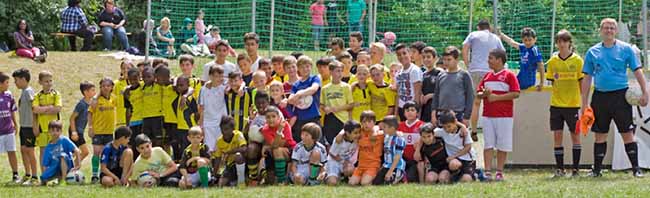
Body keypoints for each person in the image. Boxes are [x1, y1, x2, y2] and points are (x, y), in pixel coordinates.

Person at [581, 18, 648, 178]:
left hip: (620, 97)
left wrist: (645, 92)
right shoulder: (592, 52)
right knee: (600, 134)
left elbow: (638, 70)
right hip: (600, 97)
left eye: (612, 28)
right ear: (601, 30)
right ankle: (596, 170)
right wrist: (584, 103)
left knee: (627, 133)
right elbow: (587, 78)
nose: (609, 30)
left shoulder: (626, 49)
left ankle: (636, 169)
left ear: (616, 31)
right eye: (606, 28)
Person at [476, 49, 520, 181]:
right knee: (488, 143)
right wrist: (484, 94)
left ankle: (499, 171)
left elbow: (516, 93)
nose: (488, 61)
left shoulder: (509, 75)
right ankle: (488, 171)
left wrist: (496, 98)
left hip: (504, 116)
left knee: (503, 144)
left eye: (491, 58)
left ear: (499, 60)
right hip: (488, 115)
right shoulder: (487, 76)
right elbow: (478, 93)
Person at [545, 29, 584, 178]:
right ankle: (560, 169)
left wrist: (583, 103)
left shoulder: (578, 61)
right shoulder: (553, 61)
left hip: (573, 105)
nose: (561, 44)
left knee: (575, 136)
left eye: (564, 41)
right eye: (559, 41)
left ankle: (575, 170)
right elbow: (553, 81)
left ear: (569, 43)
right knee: (557, 136)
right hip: (556, 105)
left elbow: (581, 83)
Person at [432, 46, 474, 126]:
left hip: (458, 114)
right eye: (444, 59)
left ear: (457, 59)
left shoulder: (464, 75)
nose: (446, 62)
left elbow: (470, 97)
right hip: (442, 113)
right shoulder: (440, 75)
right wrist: (433, 113)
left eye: (449, 59)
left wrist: (466, 117)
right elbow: (436, 96)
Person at [12, 68, 39, 185]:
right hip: (23, 126)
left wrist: (35, 125)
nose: (15, 83)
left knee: (30, 150)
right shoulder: (23, 91)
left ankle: (34, 177)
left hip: (29, 126)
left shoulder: (28, 92)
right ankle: (27, 174)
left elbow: (35, 108)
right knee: (23, 150)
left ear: (23, 79)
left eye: (16, 80)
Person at [33, 71, 63, 173]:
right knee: (43, 152)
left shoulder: (56, 94)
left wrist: (43, 109)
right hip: (43, 129)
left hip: (55, 129)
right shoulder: (37, 96)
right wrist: (49, 107)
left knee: (56, 152)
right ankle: (44, 174)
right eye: (46, 81)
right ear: (40, 82)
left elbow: (57, 108)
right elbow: (35, 110)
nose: (49, 83)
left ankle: (56, 174)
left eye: (50, 81)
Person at [288, 56, 322, 142]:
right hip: (300, 118)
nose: (305, 69)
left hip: (313, 116)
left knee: (315, 141)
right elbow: (290, 99)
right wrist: (293, 100)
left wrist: (300, 94)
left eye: (307, 66)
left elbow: (313, 89)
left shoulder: (314, 78)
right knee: (301, 141)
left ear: (311, 67)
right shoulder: (296, 84)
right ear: (298, 69)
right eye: (302, 67)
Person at [434, 110, 475, 183]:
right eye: (444, 127)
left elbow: (468, 147)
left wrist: (454, 156)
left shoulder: (463, 131)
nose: (447, 129)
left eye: (449, 126)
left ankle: (472, 174)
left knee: (466, 180)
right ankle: (454, 177)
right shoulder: (442, 131)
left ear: (455, 122)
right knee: (442, 178)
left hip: (467, 159)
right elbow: (427, 131)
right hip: (452, 161)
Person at [462, 20, 505, 88]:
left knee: (475, 95)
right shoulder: (495, 38)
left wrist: (468, 65)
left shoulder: (473, 34)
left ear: (478, 28)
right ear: (489, 28)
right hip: (491, 70)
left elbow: (465, 49)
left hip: (475, 69)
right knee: (489, 95)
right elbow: (503, 53)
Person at [261, 106, 297, 184]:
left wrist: (279, 131)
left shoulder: (285, 125)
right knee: (270, 180)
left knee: (277, 150)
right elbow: (275, 145)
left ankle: (281, 181)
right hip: (275, 152)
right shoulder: (265, 129)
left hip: (291, 150)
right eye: (268, 117)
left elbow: (280, 144)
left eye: (273, 116)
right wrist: (279, 132)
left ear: (278, 117)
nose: (271, 119)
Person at [321, 61, 354, 144]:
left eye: (341, 71)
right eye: (337, 71)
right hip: (330, 119)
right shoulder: (325, 88)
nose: (340, 73)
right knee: (331, 142)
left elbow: (350, 105)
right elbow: (321, 104)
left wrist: (337, 108)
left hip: (343, 118)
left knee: (343, 142)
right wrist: (325, 108)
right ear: (331, 72)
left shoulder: (346, 87)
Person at [40, 121, 81, 186]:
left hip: (67, 165)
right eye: (53, 130)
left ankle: (63, 180)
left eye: (57, 130)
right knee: (43, 178)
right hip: (55, 167)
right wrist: (45, 175)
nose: (55, 132)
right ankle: (57, 179)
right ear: (49, 132)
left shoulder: (64, 140)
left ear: (61, 131)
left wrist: (78, 165)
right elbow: (45, 164)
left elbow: (77, 151)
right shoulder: (48, 147)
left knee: (62, 155)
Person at [349, 111, 383, 186]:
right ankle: (363, 177)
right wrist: (340, 134)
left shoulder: (379, 134)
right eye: (364, 122)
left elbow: (390, 131)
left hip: (373, 165)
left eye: (369, 122)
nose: (366, 124)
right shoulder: (359, 132)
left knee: (364, 183)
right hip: (361, 165)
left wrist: (376, 128)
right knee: (351, 183)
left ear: (374, 122)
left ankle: (375, 176)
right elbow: (347, 130)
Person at [199, 65, 228, 152]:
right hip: (208, 124)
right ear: (210, 76)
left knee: (221, 148)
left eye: (221, 76)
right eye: (216, 76)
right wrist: (201, 125)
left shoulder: (225, 88)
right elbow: (201, 108)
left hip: (221, 123)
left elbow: (238, 82)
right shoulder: (203, 90)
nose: (219, 79)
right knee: (209, 149)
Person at [68, 81, 94, 181]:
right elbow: (72, 118)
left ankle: (71, 169)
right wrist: (74, 132)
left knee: (82, 152)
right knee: (78, 152)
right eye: (92, 90)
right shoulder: (81, 104)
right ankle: (69, 169)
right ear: (85, 92)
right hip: (75, 131)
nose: (94, 92)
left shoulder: (91, 103)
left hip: (80, 131)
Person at [212, 117, 247, 187]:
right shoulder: (219, 141)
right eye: (222, 129)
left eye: (226, 129)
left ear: (233, 129)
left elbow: (244, 148)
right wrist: (215, 175)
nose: (224, 132)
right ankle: (232, 181)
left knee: (238, 155)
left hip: (242, 162)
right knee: (221, 184)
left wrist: (230, 152)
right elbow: (217, 159)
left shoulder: (238, 135)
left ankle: (241, 181)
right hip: (229, 165)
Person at [172, 76, 199, 162]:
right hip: (181, 128)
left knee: (191, 149)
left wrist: (195, 124)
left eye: (181, 85)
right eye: (178, 85)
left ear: (187, 85)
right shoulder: (179, 95)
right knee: (183, 149)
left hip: (189, 128)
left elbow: (197, 112)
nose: (179, 87)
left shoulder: (190, 98)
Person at [372, 116, 405, 185]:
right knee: (376, 183)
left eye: (384, 127)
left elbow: (397, 157)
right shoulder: (387, 136)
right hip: (386, 165)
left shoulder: (399, 140)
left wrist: (390, 171)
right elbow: (376, 128)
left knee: (388, 183)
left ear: (392, 128)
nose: (382, 129)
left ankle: (402, 176)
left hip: (396, 166)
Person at [325, 120, 360, 185]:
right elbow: (331, 154)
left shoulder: (356, 139)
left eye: (359, 132)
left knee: (350, 170)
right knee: (332, 183)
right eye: (355, 133)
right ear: (347, 133)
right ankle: (326, 175)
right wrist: (344, 161)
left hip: (345, 163)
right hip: (334, 162)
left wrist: (346, 162)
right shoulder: (339, 140)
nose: (358, 135)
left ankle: (342, 176)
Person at [397, 101, 425, 183]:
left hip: (416, 159)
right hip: (402, 158)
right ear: (404, 113)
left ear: (417, 112)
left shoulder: (422, 125)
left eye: (412, 110)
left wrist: (418, 150)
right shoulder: (400, 126)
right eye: (407, 110)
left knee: (411, 178)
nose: (410, 112)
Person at [0, 72, 20, 184]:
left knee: (12, 151)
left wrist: (15, 124)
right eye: (7, 82)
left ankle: (15, 174)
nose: (8, 85)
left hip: (8, 130)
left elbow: (12, 110)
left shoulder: (9, 95)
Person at [394, 43, 423, 121]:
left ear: (409, 53)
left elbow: (418, 93)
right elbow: (398, 94)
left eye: (404, 53)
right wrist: (395, 113)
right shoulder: (398, 72)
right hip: (401, 108)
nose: (402, 56)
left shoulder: (414, 70)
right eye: (399, 54)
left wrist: (417, 112)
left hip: (411, 109)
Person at [420, 46, 442, 123]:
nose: (426, 59)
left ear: (435, 58)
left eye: (428, 57)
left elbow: (445, 91)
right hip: (425, 110)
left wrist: (431, 95)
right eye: (424, 57)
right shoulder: (422, 74)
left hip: (437, 108)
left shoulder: (440, 73)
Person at [114, 61, 133, 127]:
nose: (126, 70)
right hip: (121, 120)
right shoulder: (116, 84)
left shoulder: (137, 83)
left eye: (128, 68)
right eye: (123, 68)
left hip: (135, 119)